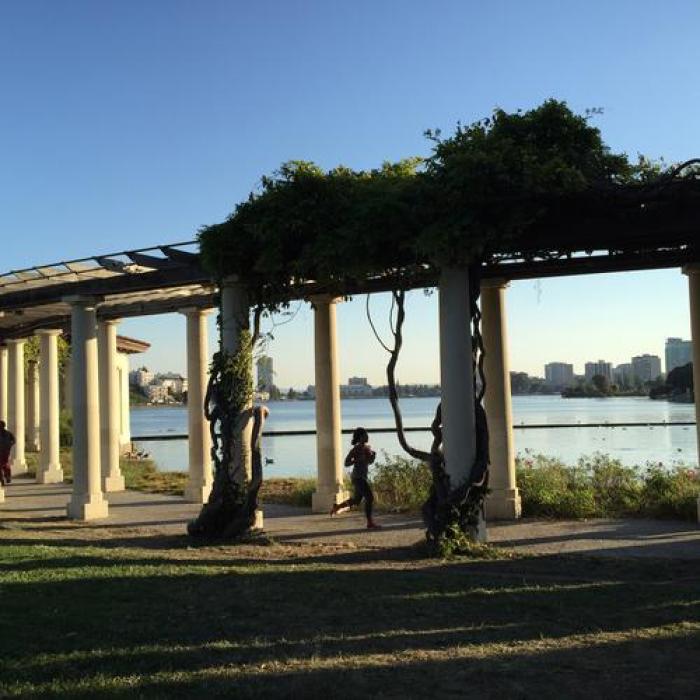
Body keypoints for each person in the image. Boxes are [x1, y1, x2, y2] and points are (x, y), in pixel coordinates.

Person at [330, 427, 381, 529]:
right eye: (365, 435)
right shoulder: (356, 449)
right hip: (357, 477)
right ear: (360, 437)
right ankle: (370, 523)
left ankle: (337, 507)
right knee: (370, 498)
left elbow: (368, 462)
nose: (367, 436)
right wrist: (356, 460)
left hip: (363, 476)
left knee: (357, 501)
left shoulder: (367, 448)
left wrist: (373, 457)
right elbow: (346, 463)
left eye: (367, 434)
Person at [0, 420, 16, 486]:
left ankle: (7, 477)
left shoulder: (8, 433)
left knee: (6, 466)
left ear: (3, 426)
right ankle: (1, 479)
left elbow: (14, 440)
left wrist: (9, 445)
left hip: (6, 452)